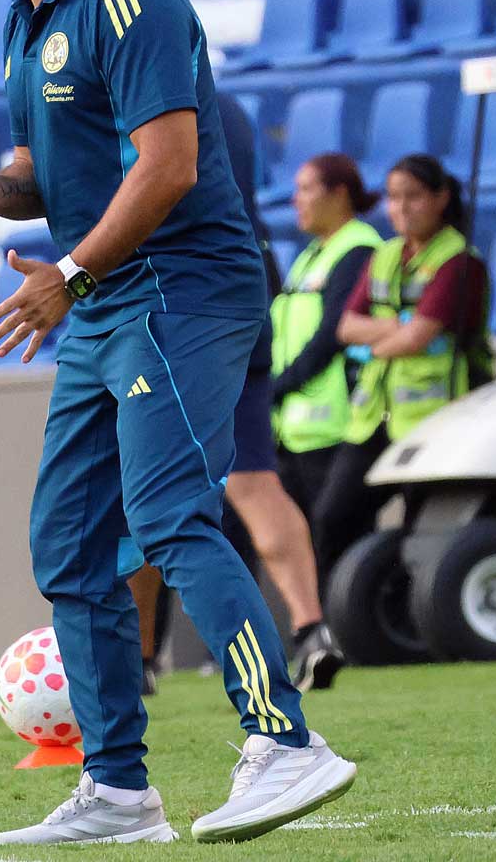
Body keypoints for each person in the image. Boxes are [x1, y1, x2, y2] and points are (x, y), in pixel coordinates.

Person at [0, 0, 354, 846]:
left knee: (166, 516)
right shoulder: (26, 11)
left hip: (183, 284)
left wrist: (63, 268)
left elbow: (171, 166)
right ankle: (117, 791)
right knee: (66, 541)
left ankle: (285, 743)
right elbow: (52, 176)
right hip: (108, 297)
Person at [135, 96, 349, 696]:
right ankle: (311, 629)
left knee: (145, 486)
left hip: (176, 301)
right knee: (255, 482)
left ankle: (141, 655)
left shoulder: (142, 97)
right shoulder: (226, 107)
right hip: (247, 286)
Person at [310, 155, 492, 586]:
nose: (402, 208)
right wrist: (396, 327)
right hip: (375, 415)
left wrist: (378, 347)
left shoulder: (460, 261)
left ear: (441, 199)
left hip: (437, 417)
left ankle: (418, 628)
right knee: (333, 517)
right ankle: (343, 622)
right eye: (394, 198)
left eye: (413, 197)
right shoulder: (385, 255)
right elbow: (346, 327)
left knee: (423, 531)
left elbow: (420, 337)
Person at [271, 155, 382, 517]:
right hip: (295, 429)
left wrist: (279, 385)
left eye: (306, 189)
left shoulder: (358, 249)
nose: (296, 200)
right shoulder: (310, 256)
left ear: (339, 194)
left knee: (333, 543)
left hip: (334, 426)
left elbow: (330, 336)